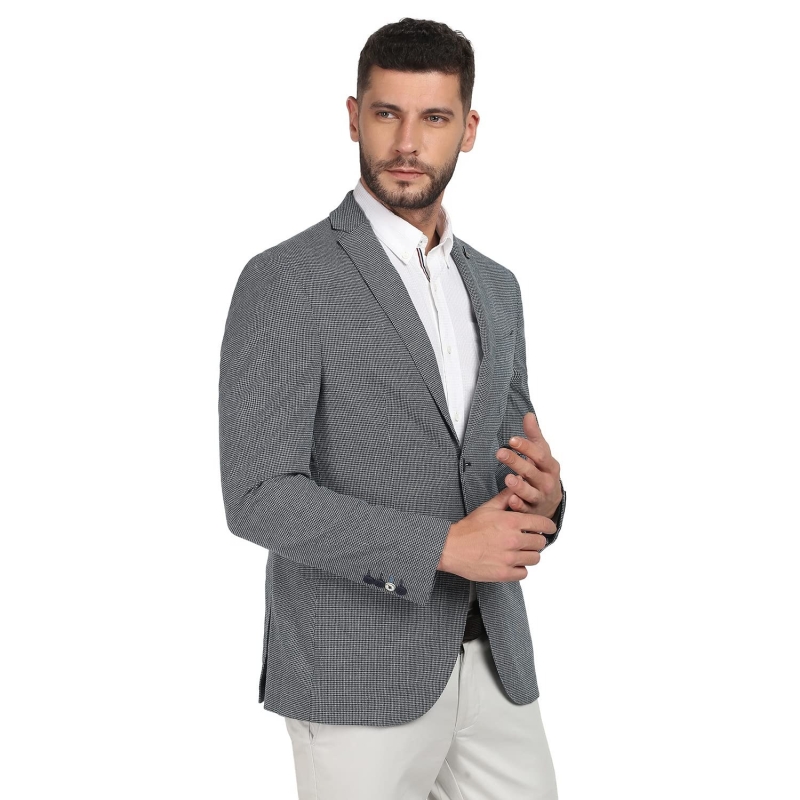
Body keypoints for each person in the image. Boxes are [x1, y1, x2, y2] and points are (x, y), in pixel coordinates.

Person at [218, 17, 566, 800]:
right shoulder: (286, 280)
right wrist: (441, 547)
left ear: (468, 130)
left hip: (495, 661)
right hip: (355, 673)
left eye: (434, 117)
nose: (408, 143)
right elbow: (257, 496)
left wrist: (547, 499)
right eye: (387, 114)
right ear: (354, 118)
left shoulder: (497, 287)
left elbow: (500, 457)